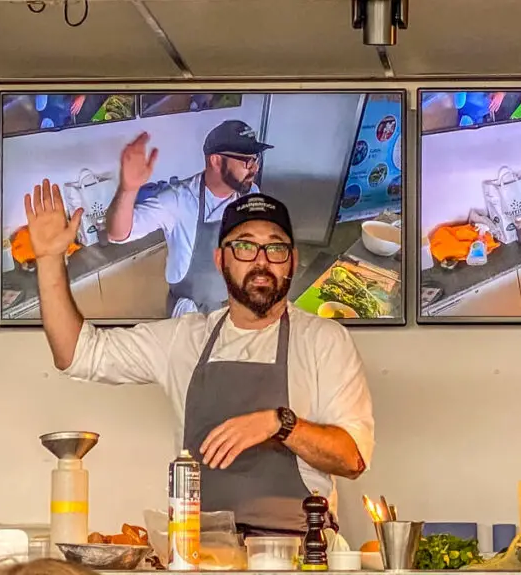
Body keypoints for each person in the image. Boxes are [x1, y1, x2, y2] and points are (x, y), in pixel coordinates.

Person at [25, 181, 373, 537]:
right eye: (245, 247)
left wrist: (280, 424)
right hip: (200, 551)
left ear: (292, 261)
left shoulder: (324, 341)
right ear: (221, 259)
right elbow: (77, 354)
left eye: (275, 248)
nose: (261, 261)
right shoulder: (184, 338)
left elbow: (352, 459)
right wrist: (50, 259)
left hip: (299, 553)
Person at [106, 120, 273, 318]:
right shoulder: (178, 200)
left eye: (256, 159)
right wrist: (128, 189)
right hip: (191, 316)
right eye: (247, 161)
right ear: (216, 161)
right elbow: (118, 233)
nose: (254, 169)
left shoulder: (250, 194)